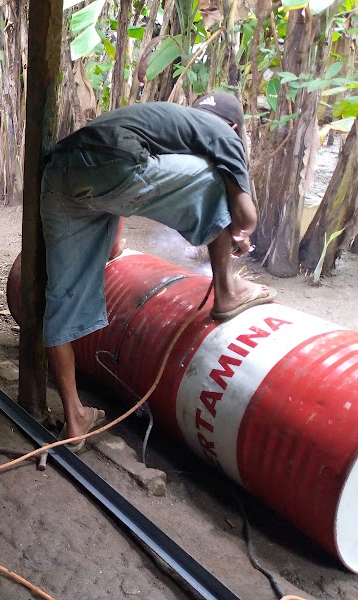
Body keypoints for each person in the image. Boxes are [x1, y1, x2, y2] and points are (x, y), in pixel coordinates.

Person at [39, 93, 276, 452]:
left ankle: (75, 420)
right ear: (234, 127)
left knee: (62, 298)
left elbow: (114, 169)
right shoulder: (224, 134)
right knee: (216, 180)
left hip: (60, 172)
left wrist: (114, 248)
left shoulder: (163, 119)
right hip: (110, 163)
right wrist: (236, 229)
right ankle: (227, 291)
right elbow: (246, 217)